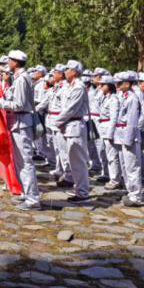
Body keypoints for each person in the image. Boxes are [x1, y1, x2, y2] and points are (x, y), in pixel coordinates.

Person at [0, 50, 42, 210]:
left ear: (15, 62)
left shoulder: (21, 79)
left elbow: (18, 104)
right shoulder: (20, 78)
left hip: (22, 122)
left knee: (26, 162)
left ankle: (33, 199)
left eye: (10, 61)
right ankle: (26, 194)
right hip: (18, 122)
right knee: (20, 161)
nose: (8, 64)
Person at [54, 60, 91, 202]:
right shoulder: (69, 86)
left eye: (68, 69)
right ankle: (79, 189)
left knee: (78, 161)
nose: (65, 71)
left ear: (74, 72)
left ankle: (82, 192)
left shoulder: (78, 87)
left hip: (75, 125)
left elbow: (71, 109)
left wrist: (58, 122)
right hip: (68, 125)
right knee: (72, 160)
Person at [110, 71, 143, 206]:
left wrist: (128, 140)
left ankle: (136, 195)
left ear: (127, 84)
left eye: (119, 83)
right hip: (121, 134)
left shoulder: (132, 98)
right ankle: (130, 191)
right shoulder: (124, 96)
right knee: (125, 166)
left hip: (129, 135)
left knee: (132, 166)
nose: (116, 85)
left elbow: (132, 121)